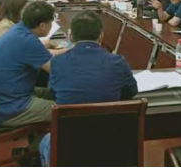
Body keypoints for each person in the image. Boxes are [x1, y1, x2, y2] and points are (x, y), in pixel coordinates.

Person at [39, 10, 138, 166]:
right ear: (101, 36)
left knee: (44, 142)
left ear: (71, 37)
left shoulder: (58, 63)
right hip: (111, 146)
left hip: (68, 148)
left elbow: (54, 92)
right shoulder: (118, 62)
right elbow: (131, 91)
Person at [0, 1, 66, 129]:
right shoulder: (28, 40)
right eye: (51, 23)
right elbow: (58, 71)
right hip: (12, 108)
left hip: (4, 98)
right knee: (66, 111)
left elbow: (42, 54)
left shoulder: (19, 30)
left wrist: (70, 51)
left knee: (53, 92)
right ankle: (49, 141)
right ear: (42, 26)